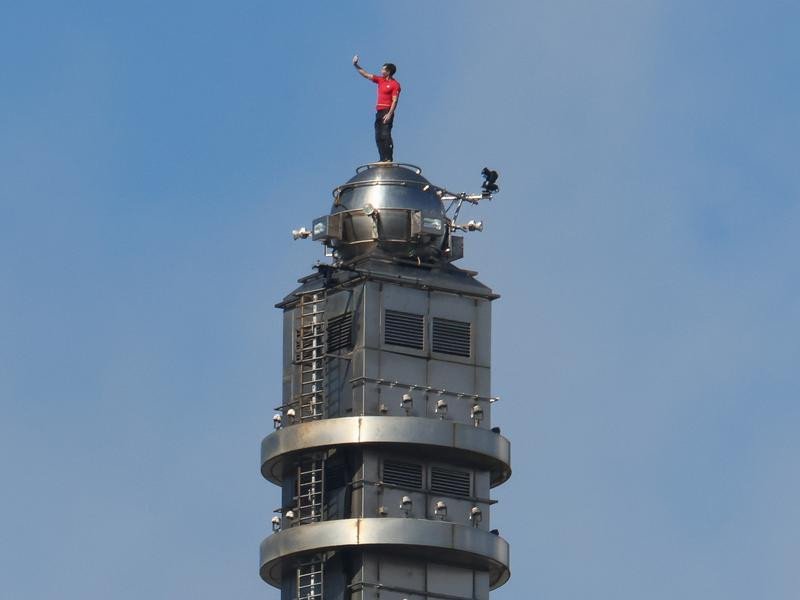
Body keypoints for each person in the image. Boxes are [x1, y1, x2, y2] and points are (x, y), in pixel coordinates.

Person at [352, 55, 401, 162]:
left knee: (385, 134)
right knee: (378, 136)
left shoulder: (395, 84)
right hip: (379, 111)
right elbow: (366, 75)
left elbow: (395, 101)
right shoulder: (380, 80)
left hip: (387, 111)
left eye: (383, 69)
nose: (381, 71)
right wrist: (355, 65)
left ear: (388, 71)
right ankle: (382, 158)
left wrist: (390, 114)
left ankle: (388, 158)